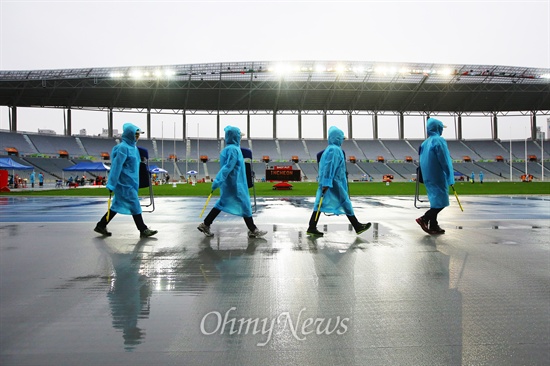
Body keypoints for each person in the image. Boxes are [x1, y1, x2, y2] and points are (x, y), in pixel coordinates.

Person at [197, 125, 267, 238]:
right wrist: (218, 181)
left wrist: (219, 181)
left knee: (222, 203)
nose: (240, 138)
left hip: (232, 183)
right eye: (239, 136)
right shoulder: (233, 150)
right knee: (244, 205)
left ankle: (206, 224)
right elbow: (228, 167)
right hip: (235, 184)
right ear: (235, 137)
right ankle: (253, 229)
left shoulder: (229, 149)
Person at [94, 123, 157, 238]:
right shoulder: (123, 148)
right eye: (135, 135)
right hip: (124, 183)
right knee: (135, 204)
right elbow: (116, 167)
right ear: (130, 134)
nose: (137, 137)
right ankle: (143, 229)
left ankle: (101, 225)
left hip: (132, 182)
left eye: (138, 135)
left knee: (116, 206)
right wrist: (111, 184)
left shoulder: (134, 148)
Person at [306, 126, 371, 237]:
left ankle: (312, 227)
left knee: (321, 203)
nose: (342, 140)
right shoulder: (334, 150)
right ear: (337, 138)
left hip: (332, 181)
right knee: (344, 201)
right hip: (334, 182)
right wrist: (327, 183)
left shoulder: (331, 149)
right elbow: (329, 167)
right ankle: (357, 226)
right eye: (341, 138)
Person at [416, 118, 455, 235]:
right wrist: (450, 177)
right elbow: (445, 161)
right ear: (438, 128)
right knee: (442, 202)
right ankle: (425, 218)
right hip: (437, 175)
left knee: (435, 202)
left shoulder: (424, 143)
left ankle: (433, 225)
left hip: (428, 176)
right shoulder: (439, 141)